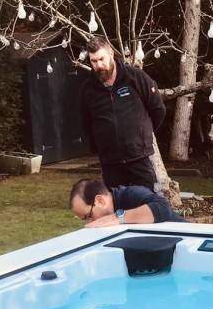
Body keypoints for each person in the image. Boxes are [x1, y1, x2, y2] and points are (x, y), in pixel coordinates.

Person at [80, 37, 166, 191]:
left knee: (145, 203)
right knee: (117, 205)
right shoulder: (87, 89)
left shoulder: (135, 77)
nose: (99, 65)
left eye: (101, 59)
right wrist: (101, 146)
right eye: (93, 61)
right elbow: (86, 123)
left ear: (111, 54)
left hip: (139, 159)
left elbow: (158, 109)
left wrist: (143, 135)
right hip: (110, 164)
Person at [69, 178, 186, 227]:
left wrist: (119, 217)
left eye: (88, 216)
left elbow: (163, 208)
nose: (90, 222)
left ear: (100, 201)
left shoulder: (131, 194)